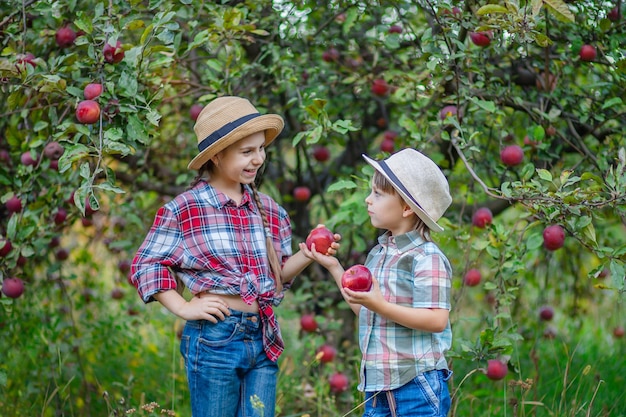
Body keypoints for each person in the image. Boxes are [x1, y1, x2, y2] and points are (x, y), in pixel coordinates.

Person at [129, 96, 339, 417]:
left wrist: (308, 253)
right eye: (247, 152)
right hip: (215, 338)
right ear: (215, 156)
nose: (258, 159)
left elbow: (278, 273)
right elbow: (146, 264)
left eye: (261, 149)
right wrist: (184, 306)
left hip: (262, 335)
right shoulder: (188, 208)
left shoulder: (267, 209)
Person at [302, 148, 453, 417]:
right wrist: (335, 267)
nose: (367, 200)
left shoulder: (426, 257)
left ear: (407, 207)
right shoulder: (380, 253)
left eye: (378, 194)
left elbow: (437, 320)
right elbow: (366, 311)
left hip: (415, 384)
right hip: (377, 386)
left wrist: (381, 305)